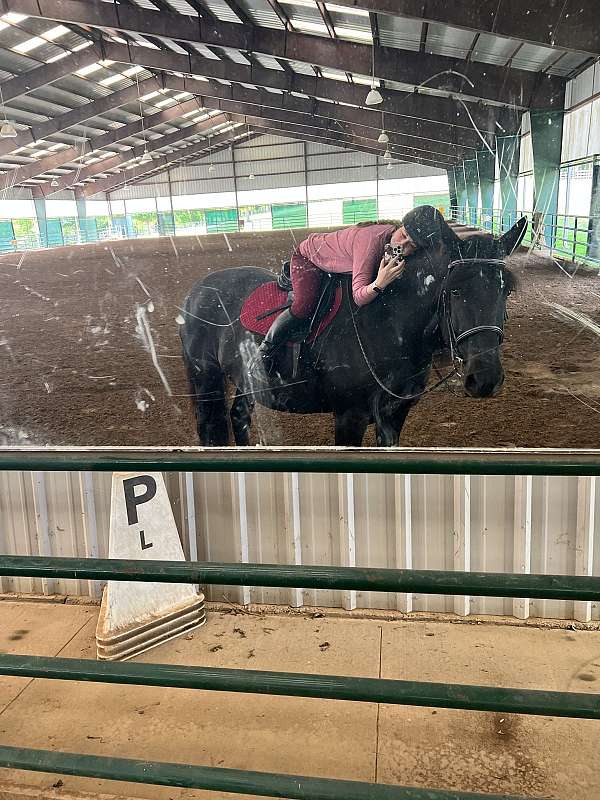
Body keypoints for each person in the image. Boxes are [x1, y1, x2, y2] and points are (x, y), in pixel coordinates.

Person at [254, 205, 456, 373]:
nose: (402, 244)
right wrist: (380, 283)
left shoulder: (393, 240)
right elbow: (359, 297)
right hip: (309, 258)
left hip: (341, 260)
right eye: (403, 235)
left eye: (410, 244)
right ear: (400, 226)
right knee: (303, 306)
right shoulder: (369, 241)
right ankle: (265, 351)